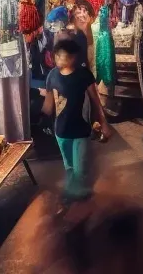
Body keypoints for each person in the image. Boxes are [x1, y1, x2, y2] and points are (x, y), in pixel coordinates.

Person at [42, 37, 111, 204]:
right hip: (61, 132)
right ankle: (73, 196)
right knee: (70, 167)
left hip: (80, 130)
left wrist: (104, 124)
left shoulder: (83, 75)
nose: (58, 59)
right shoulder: (52, 75)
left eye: (63, 56)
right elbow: (49, 104)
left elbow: (95, 101)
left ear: (73, 57)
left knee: (80, 169)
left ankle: (77, 200)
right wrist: (41, 122)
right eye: (57, 56)